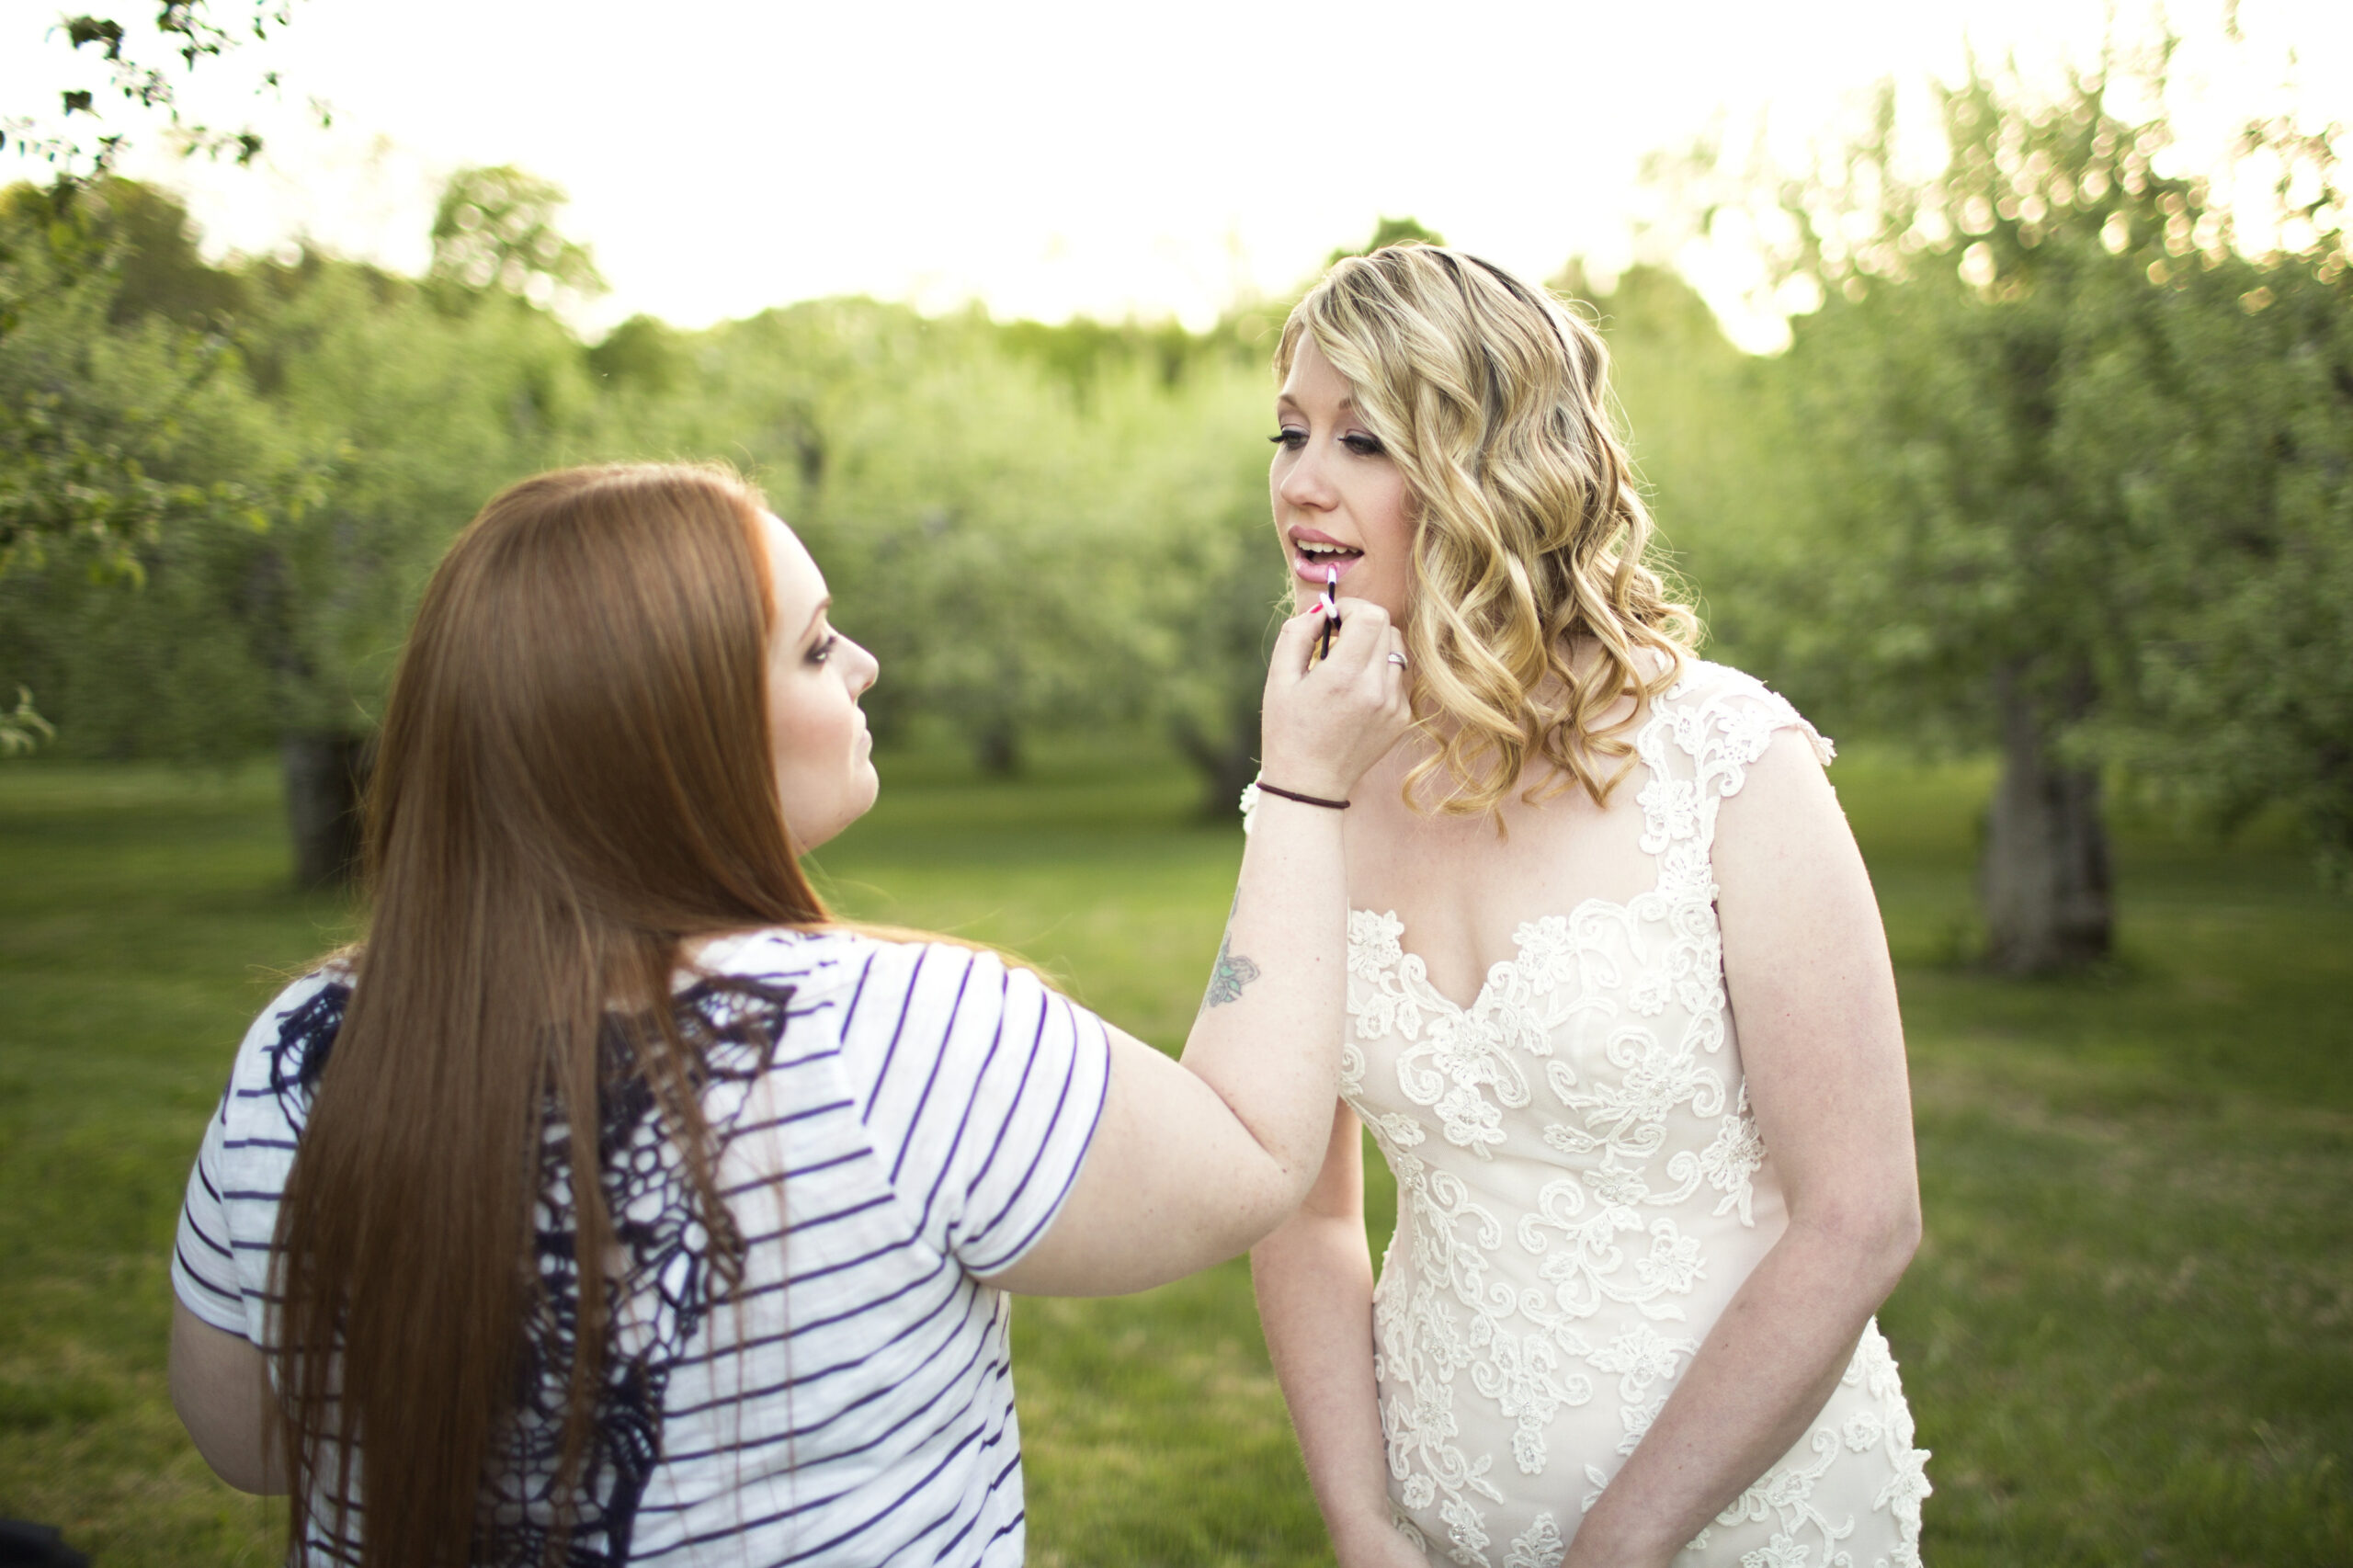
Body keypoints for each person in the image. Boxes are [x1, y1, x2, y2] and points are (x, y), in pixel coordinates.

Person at [165, 462, 1413, 1566]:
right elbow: (1252, 1150)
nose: (864, 663)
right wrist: (1304, 784)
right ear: (677, 737)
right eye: (816, 647)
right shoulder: (894, 1040)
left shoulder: (305, 1047)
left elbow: (248, 1437)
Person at [1243, 245, 1931, 1568]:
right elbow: (1299, 1199)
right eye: (1290, 431)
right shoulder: (1314, 780)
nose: (1299, 481)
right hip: (1440, 1516)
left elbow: (1861, 1214)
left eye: (1363, 437)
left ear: (1493, 472)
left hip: (1749, 1522)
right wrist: (1359, 1517)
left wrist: (1625, 1543)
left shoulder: (1726, 758)